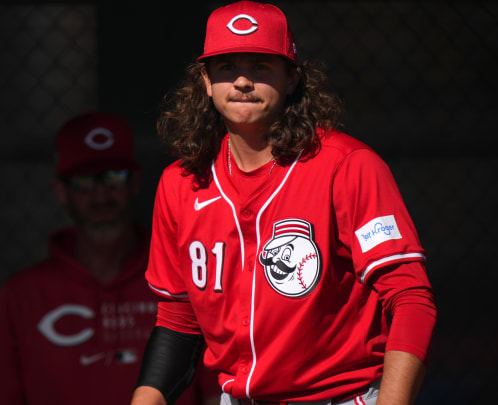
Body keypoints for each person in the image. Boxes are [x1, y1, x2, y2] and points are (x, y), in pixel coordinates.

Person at [131, 2, 437, 405]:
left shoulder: (346, 166)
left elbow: (411, 300)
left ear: (292, 78)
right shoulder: (181, 183)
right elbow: (179, 318)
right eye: (227, 67)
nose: (242, 81)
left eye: (260, 66)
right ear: (205, 81)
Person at [0, 111, 219, 405]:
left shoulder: (186, 278)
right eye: (85, 182)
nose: (101, 196)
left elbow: (216, 394)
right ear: (60, 190)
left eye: (114, 178)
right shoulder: (21, 296)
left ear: (136, 182)